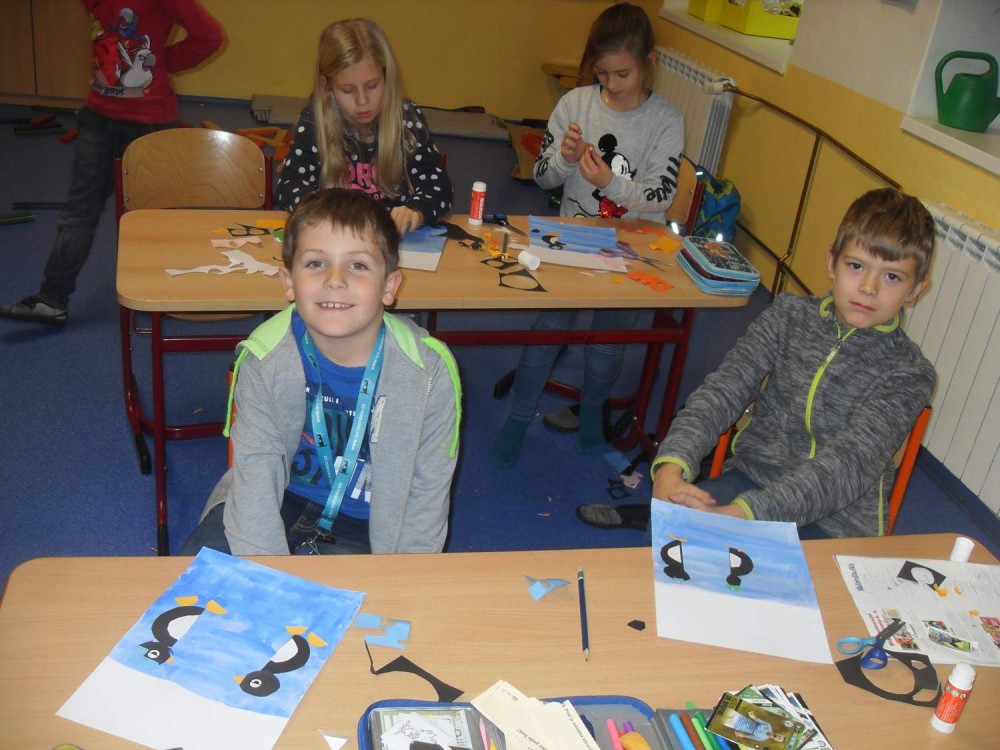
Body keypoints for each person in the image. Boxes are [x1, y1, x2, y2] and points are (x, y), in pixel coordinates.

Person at [578, 187, 937, 539]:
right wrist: (671, 467)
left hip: (836, 522)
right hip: (752, 480)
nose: (869, 288)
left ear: (916, 289)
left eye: (892, 276)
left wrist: (742, 516)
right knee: (671, 535)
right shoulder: (787, 316)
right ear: (832, 262)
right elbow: (723, 390)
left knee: (714, 556)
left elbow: (847, 467)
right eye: (856, 266)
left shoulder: (910, 373)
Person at [180, 188, 462, 556]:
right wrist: (267, 577)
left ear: (390, 286)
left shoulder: (427, 374)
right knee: (199, 584)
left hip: (371, 522)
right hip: (275, 498)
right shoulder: (264, 358)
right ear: (288, 282)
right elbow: (255, 481)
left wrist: (400, 578)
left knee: (362, 597)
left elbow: (425, 499)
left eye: (358, 265)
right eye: (316, 263)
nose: (335, 279)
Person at [489, 1, 684, 466]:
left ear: (649, 62)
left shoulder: (666, 119)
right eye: (602, 73)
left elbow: (661, 194)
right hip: (572, 237)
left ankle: (593, 411)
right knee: (548, 329)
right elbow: (541, 177)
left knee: (607, 342)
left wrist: (609, 183)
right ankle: (519, 416)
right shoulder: (575, 103)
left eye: (622, 74)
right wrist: (564, 160)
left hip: (632, 245)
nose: (610, 85)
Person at [0, 0, 223, 327]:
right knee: (79, 212)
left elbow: (210, 36)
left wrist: (163, 62)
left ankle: (160, 296)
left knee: (154, 218)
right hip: (98, 117)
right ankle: (51, 301)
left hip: (149, 122)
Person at [276, 18, 452, 237]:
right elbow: (290, 185)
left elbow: (438, 186)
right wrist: (321, 214)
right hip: (336, 238)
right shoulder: (315, 121)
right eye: (348, 90)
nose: (362, 101)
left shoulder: (406, 118)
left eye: (372, 86)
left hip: (391, 240)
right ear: (327, 86)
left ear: (387, 77)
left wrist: (417, 211)